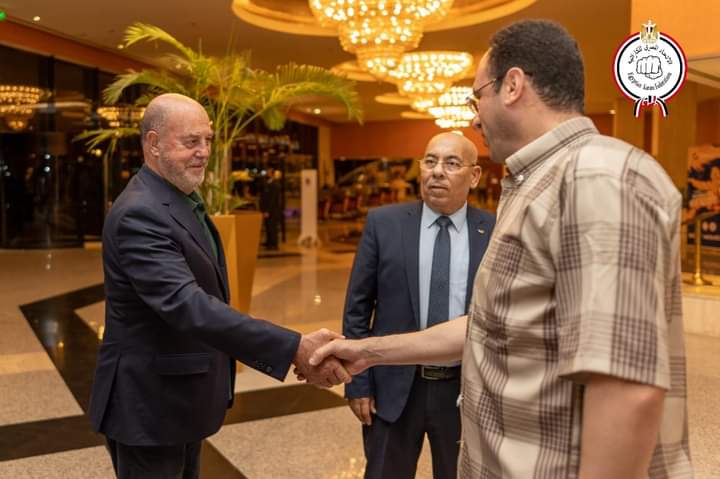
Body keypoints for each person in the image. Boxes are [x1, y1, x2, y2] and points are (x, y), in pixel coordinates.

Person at [309, 20, 693, 478]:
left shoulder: (595, 177)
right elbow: (490, 326)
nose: (474, 118)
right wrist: (369, 351)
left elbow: (626, 387)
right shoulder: (538, 184)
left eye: (478, 98)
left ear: (512, 86)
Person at [88, 93, 350, 479]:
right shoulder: (139, 213)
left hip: (177, 400)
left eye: (207, 140)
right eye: (190, 141)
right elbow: (188, 305)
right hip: (149, 406)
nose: (204, 152)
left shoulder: (176, 198)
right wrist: (294, 347)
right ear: (153, 143)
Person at [343, 132, 495, 478]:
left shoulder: (493, 230)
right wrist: (359, 382)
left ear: (474, 176)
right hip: (394, 387)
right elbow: (357, 308)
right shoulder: (384, 223)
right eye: (430, 161)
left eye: (451, 163)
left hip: (464, 389)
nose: (437, 171)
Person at [259, 168, 283, 250]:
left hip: (272, 211)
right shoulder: (268, 183)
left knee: (272, 228)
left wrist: (267, 211)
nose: (267, 173)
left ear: (272, 174)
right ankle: (269, 242)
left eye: (268, 172)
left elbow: (273, 199)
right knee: (268, 227)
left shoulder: (275, 185)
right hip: (267, 210)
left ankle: (273, 244)